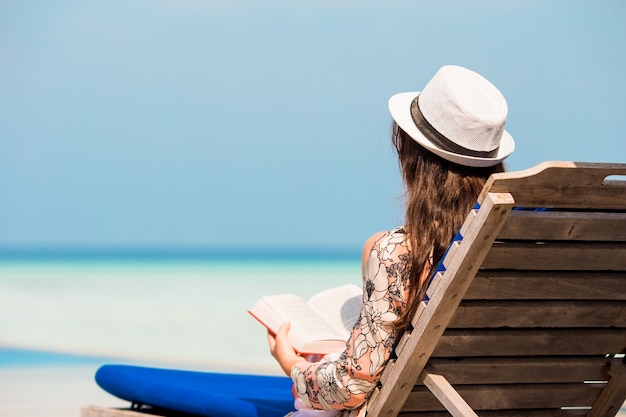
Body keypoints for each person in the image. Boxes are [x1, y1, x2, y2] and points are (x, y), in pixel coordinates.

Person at [267, 64, 515, 417]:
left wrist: (292, 364)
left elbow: (351, 387)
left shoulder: (399, 253)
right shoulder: (531, 250)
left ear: (409, 154)